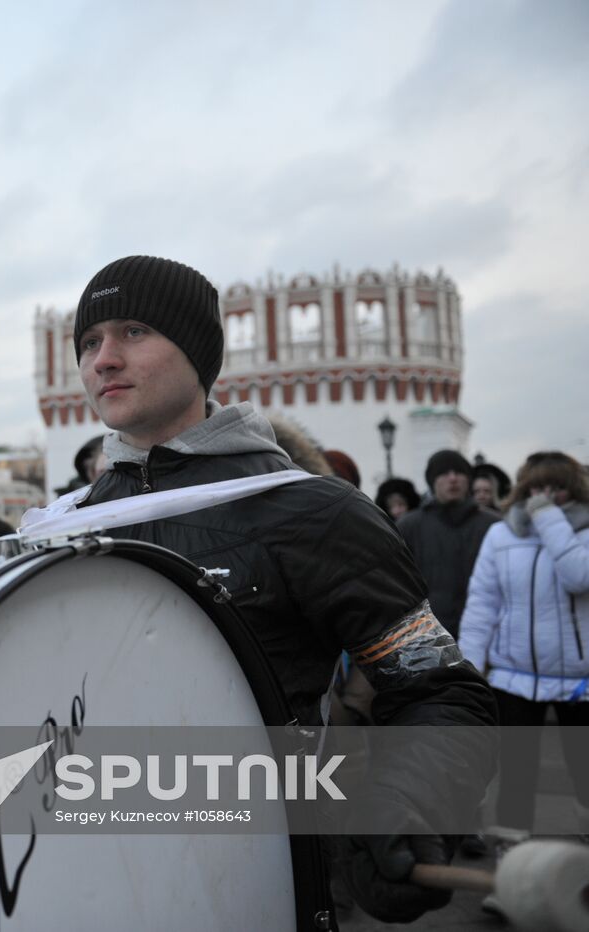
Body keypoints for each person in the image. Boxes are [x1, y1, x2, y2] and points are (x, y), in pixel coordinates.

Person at [64, 255, 495, 924]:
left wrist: (405, 799)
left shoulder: (312, 512)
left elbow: (442, 690)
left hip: (260, 875)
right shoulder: (68, 521)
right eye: (89, 342)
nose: (104, 359)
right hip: (98, 874)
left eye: (134, 331)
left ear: (199, 352)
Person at [458, 451, 589, 835]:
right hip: (514, 678)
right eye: (538, 487)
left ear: (573, 488)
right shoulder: (501, 535)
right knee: (516, 778)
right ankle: (512, 870)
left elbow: (578, 576)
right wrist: (469, 666)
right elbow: (483, 603)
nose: (546, 494)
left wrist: (549, 519)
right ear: (523, 488)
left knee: (585, 775)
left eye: (557, 487)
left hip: (579, 682)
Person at [396, 451, 498, 638]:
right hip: (427, 635)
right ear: (433, 481)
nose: (452, 478)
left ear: (468, 480)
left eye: (459, 472)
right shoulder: (409, 526)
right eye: (444, 473)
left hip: (482, 632)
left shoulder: (492, 525)